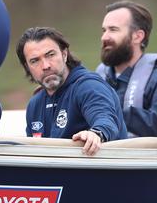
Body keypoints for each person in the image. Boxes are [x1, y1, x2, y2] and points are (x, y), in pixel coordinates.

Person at [16, 26, 127, 156]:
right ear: (27, 67)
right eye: (35, 61)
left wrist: (96, 133)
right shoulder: (35, 104)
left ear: (64, 54)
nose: (46, 66)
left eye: (50, 55)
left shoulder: (89, 86)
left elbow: (105, 119)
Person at [97, 0, 157, 138]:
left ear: (138, 36)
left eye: (113, 30)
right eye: (104, 30)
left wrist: (115, 112)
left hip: (139, 156)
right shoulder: (97, 77)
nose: (104, 37)